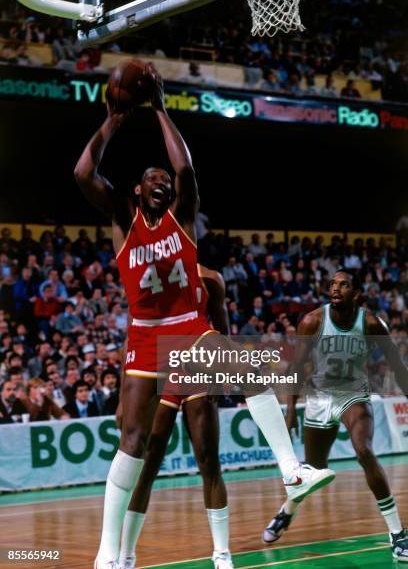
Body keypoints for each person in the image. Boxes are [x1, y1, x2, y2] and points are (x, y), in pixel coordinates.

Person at [75, 65, 334, 569]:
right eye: (152, 179)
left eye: (165, 181)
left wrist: (161, 110)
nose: (162, 183)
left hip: (188, 331)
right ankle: (110, 554)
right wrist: (114, 120)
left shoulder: (182, 217)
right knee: (133, 443)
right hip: (144, 335)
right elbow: (83, 174)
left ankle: (290, 472)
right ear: (135, 190)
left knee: (249, 369)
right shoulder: (121, 222)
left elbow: (188, 171)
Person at [262, 271, 408, 563]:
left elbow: (396, 365)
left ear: (357, 294)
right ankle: (286, 512)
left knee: (364, 451)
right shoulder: (312, 321)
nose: (335, 288)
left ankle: (397, 533)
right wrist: (290, 411)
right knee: (313, 471)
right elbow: (297, 367)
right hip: (318, 398)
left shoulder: (369, 323)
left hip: (353, 394)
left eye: (343, 284)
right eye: (332, 284)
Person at [117, 264, 231, 569]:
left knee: (209, 459)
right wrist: (122, 398)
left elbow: (222, 329)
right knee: (147, 465)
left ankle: (222, 554)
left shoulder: (211, 279)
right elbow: (133, 339)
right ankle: (126, 555)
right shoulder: (146, 274)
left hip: (197, 365)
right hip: (159, 367)